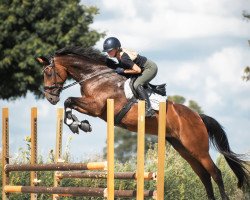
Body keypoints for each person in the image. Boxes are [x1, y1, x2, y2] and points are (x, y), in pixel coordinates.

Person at [103, 36, 158, 117]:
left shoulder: (124, 58)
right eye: (107, 51)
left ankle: (149, 109)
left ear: (116, 49)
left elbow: (138, 70)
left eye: (110, 51)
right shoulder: (119, 55)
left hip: (150, 68)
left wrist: (123, 71)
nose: (108, 53)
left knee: (136, 84)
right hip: (143, 68)